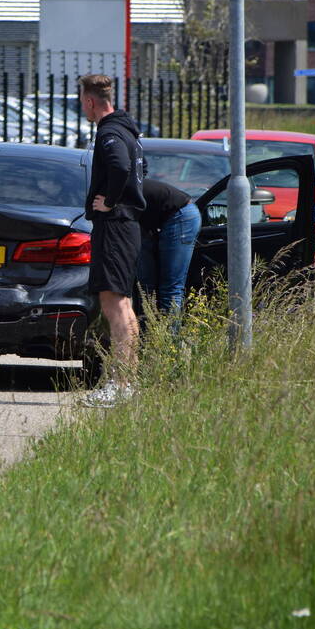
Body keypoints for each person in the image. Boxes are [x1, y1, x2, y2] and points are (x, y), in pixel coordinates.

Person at [78, 74, 145, 408]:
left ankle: (120, 385)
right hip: (126, 226)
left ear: (90, 101)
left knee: (113, 305)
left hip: (116, 225)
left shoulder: (109, 132)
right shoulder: (126, 129)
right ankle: (127, 383)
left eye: (82, 102)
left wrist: (111, 201)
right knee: (123, 304)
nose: (83, 108)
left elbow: (119, 167)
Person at [137, 178, 202, 323]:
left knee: (170, 287)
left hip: (181, 216)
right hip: (163, 218)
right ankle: (150, 337)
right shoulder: (127, 185)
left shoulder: (122, 191)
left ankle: (169, 342)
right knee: (147, 286)